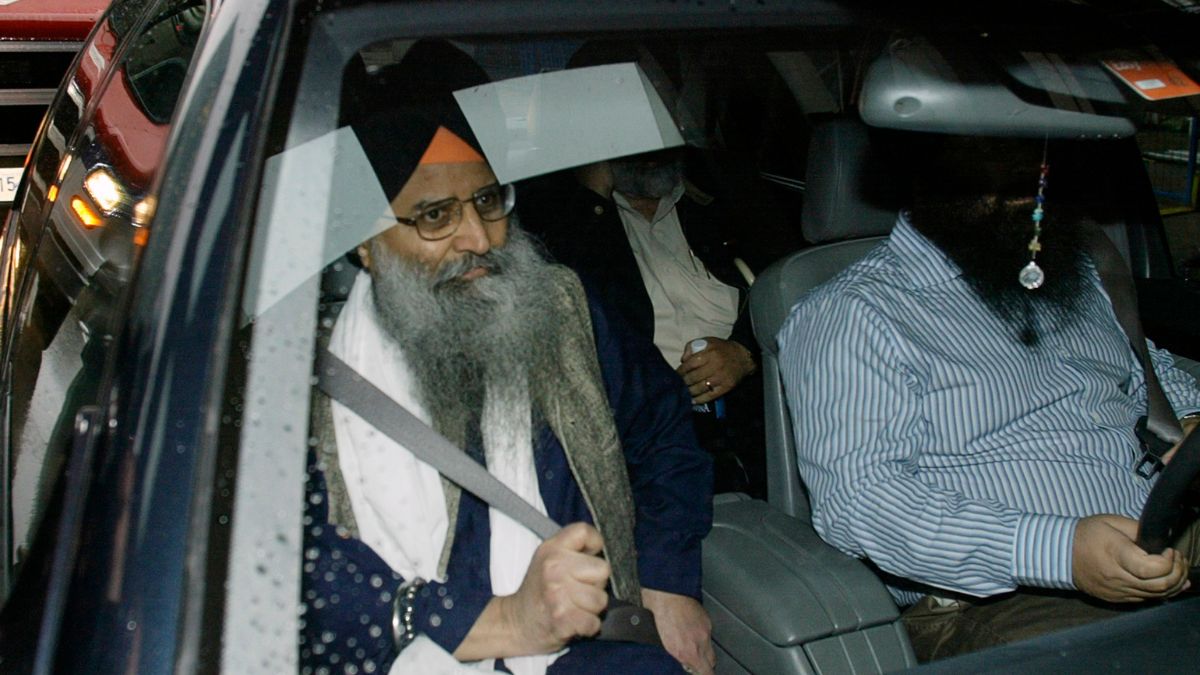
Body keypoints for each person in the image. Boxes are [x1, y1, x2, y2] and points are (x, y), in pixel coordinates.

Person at [298, 63, 715, 674]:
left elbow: (664, 430)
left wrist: (668, 580)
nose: (479, 238)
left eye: (488, 201)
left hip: (599, 648)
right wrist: (500, 623)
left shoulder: (561, 308)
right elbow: (302, 577)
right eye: (435, 216)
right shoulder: (300, 383)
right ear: (366, 239)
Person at [777, 134, 1200, 661]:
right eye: (990, 166)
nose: (1029, 186)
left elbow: (1145, 365)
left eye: (1037, 168)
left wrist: (1188, 416)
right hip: (1001, 601)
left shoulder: (1068, 268)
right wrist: (1060, 552)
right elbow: (862, 502)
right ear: (925, 174)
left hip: (1168, 525)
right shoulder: (852, 313)